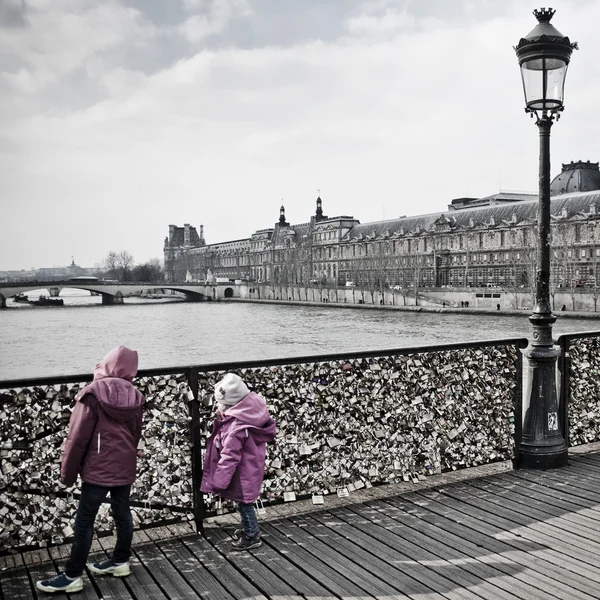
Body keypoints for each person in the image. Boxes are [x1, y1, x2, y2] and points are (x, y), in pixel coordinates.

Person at [36, 346, 144, 594]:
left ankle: (73, 575)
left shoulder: (92, 393)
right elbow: (135, 433)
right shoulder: (136, 396)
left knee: (85, 521)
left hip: (98, 466)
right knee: (122, 512)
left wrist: (68, 473)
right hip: (124, 463)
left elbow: (77, 437)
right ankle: (120, 561)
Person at [201, 373, 276, 550]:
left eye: (222, 404)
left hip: (242, 475)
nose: (219, 407)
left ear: (233, 405)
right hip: (250, 469)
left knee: (244, 504)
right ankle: (248, 529)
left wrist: (219, 480)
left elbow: (229, 456)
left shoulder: (236, 429)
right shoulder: (251, 416)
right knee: (244, 503)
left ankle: (252, 534)